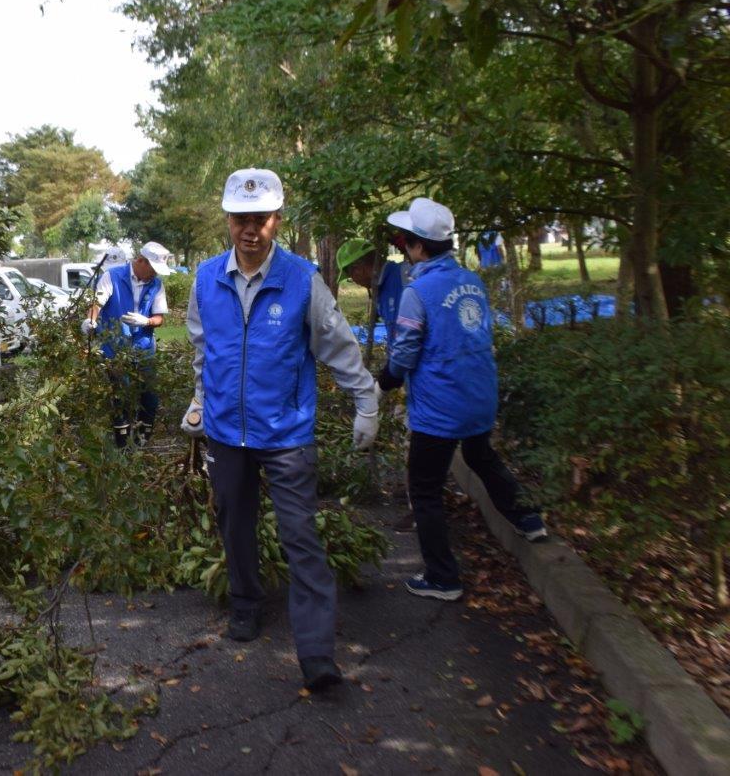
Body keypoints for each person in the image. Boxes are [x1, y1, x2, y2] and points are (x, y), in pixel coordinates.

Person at [180, 169, 379, 692]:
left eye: (261, 219)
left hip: (286, 434)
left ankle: (316, 651)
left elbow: (336, 344)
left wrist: (366, 399)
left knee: (300, 536)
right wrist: (200, 402)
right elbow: (203, 350)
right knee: (234, 523)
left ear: (277, 221)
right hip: (226, 432)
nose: (251, 230)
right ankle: (246, 603)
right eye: (242, 219)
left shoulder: (301, 280)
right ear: (228, 220)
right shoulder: (205, 279)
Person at [375, 198, 547, 602]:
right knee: (480, 455)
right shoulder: (472, 281)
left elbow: (404, 351)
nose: (403, 250)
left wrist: (384, 383)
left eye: (405, 243)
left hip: (440, 408)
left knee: (426, 489)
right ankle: (528, 517)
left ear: (418, 247)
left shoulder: (418, 292)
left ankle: (442, 577)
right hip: (479, 396)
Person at [337, 236, 417, 532]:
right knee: (401, 431)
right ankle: (412, 493)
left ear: (363, 266)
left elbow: (410, 337)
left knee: (413, 439)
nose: (353, 280)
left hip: (416, 375)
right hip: (401, 374)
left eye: (352, 272)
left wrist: (385, 382)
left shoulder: (401, 279)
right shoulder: (380, 290)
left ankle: (418, 507)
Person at [80, 241, 172, 447]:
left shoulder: (156, 284)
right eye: (153, 269)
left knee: (149, 397)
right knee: (120, 396)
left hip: (144, 349)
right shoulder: (112, 276)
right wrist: (91, 320)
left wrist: (146, 321)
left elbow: (159, 318)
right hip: (115, 349)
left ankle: (141, 443)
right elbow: (97, 304)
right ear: (140, 261)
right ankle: (121, 447)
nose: (155, 275)